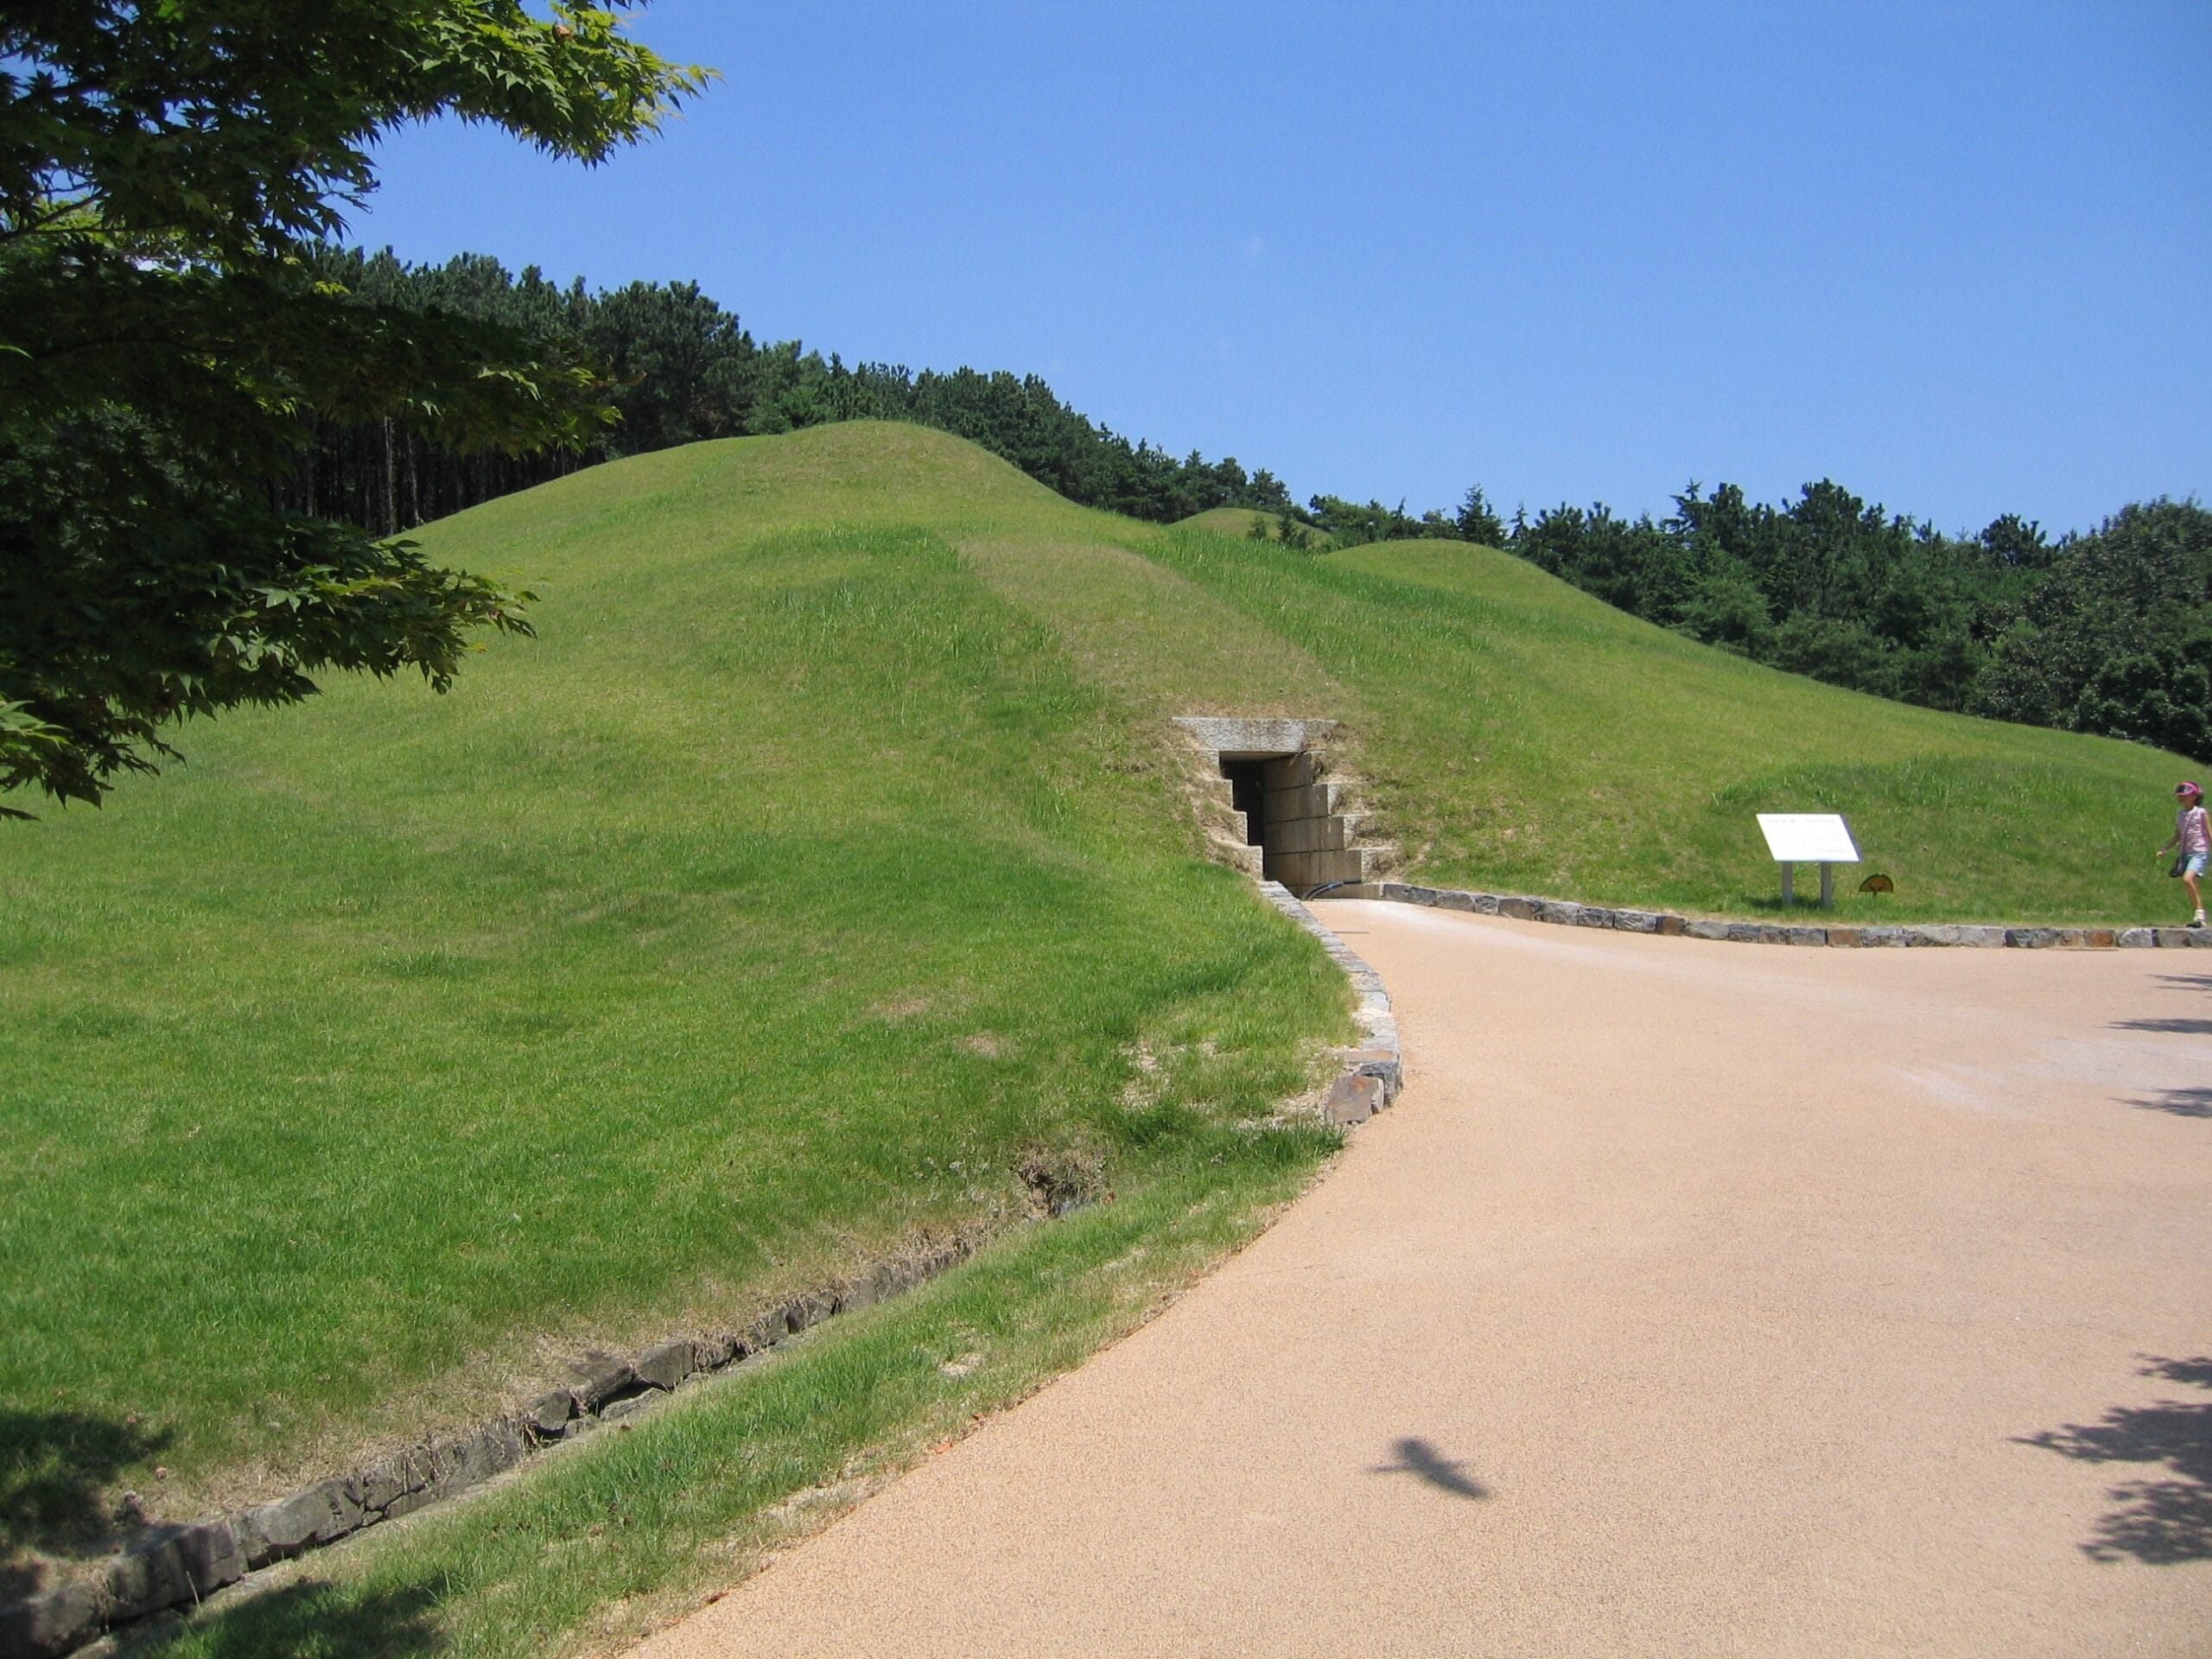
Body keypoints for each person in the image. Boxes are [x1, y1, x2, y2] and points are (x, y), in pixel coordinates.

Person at [2158, 781, 2210, 926]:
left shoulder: (2201, 812)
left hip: (2199, 851)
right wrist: (2165, 848)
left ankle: (2199, 914)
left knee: (2187, 879)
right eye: (2180, 796)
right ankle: (2199, 916)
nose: (2181, 799)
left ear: (2195, 796)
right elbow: (2178, 835)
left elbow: (2209, 832)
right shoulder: (2180, 814)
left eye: (2185, 796)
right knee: (2191, 883)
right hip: (2185, 853)